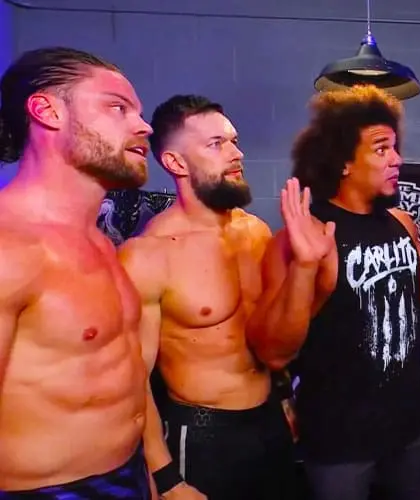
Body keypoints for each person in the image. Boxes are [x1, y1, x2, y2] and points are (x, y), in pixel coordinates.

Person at [249, 85, 420, 500]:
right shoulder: (303, 237)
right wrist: (305, 266)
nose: (397, 159)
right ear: (343, 162)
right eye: (381, 149)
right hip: (339, 438)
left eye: (394, 148)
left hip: (412, 425)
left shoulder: (402, 223)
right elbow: (273, 353)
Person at [118, 94, 332, 500]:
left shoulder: (255, 231)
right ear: (176, 163)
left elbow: (265, 330)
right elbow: (134, 381)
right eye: (216, 144)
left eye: (234, 141)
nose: (237, 154)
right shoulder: (148, 254)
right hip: (202, 436)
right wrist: (165, 477)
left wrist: (284, 396)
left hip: (269, 421)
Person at [0, 47, 154, 497]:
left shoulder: (100, 243)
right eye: (117, 107)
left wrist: (155, 477)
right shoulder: (9, 247)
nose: (144, 126)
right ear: (47, 111)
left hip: (128, 473)